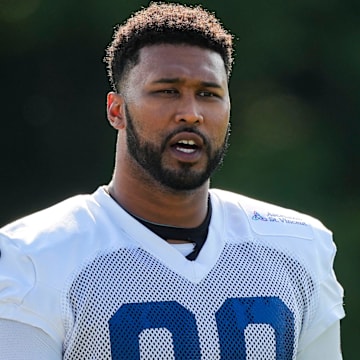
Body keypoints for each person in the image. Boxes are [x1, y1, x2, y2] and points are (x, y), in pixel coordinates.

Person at [0, 2, 345, 359]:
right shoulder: (36, 255)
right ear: (117, 111)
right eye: (167, 91)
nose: (191, 113)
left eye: (209, 94)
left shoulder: (296, 246)